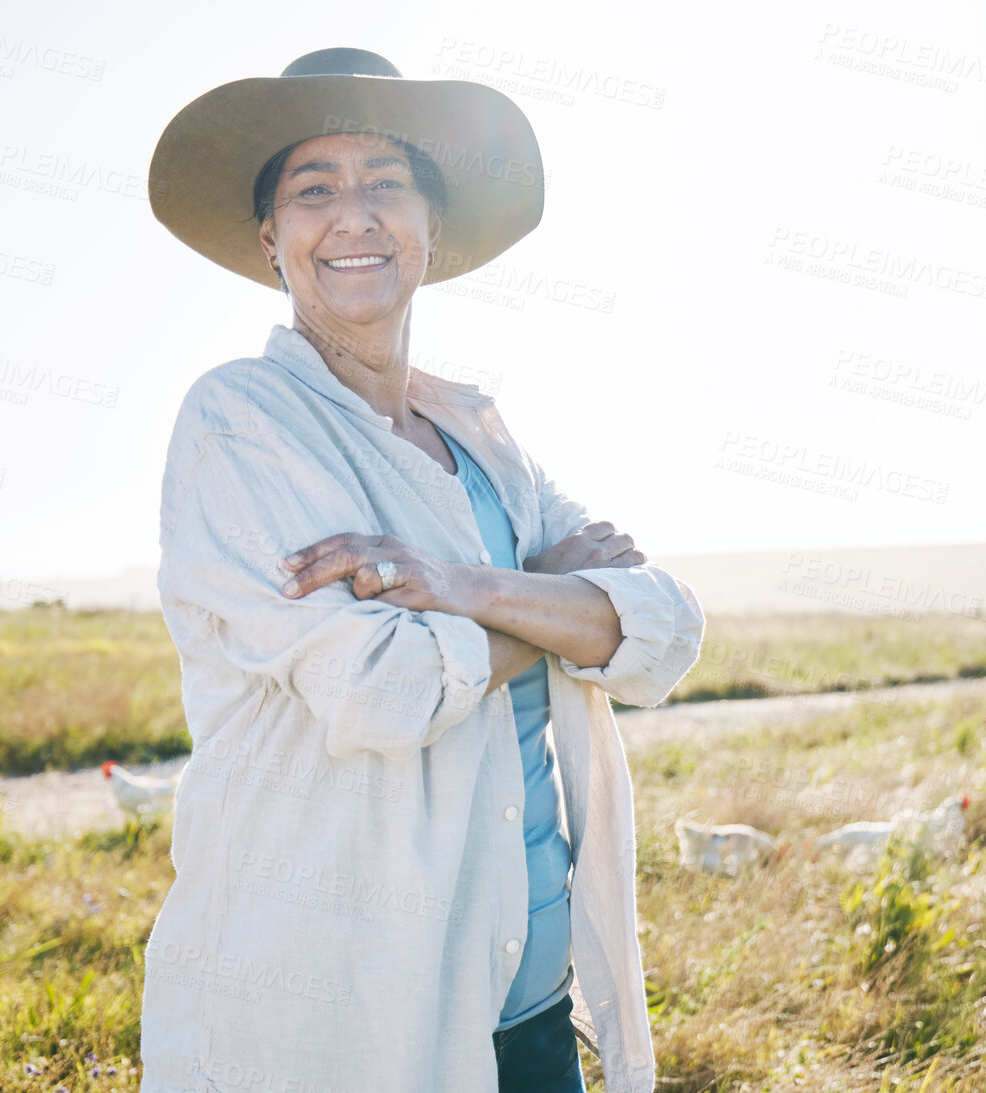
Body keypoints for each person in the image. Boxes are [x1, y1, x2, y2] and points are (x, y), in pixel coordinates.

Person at [139, 47, 706, 1093]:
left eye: (386, 184)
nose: (353, 215)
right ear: (272, 238)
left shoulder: (486, 441)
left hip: (529, 1006)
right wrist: (549, 598)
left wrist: (453, 583)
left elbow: (664, 627)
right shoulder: (239, 421)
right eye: (314, 189)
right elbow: (383, 689)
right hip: (341, 1023)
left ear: (430, 232)